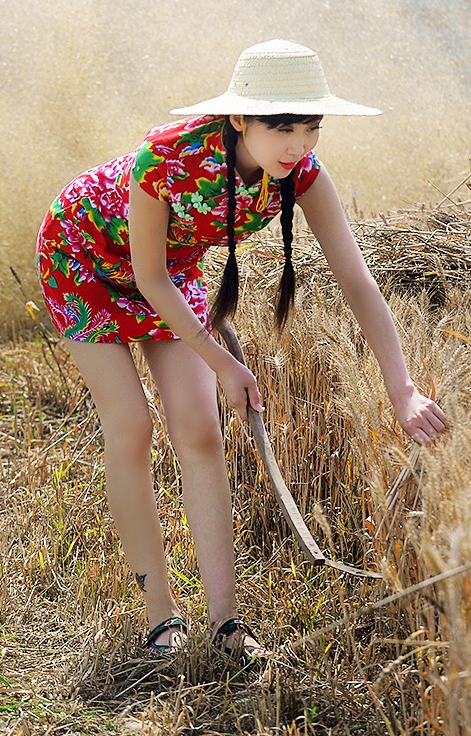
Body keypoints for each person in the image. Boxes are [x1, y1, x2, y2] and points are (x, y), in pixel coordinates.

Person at [35, 40, 449, 661]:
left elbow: (356, 280)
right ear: (238, 121)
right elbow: (146, 277)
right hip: (84, 258)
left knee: (200, 428)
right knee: (132, 426)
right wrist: (225, 362)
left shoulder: (302, 175)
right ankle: (160, 620)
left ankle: (226, 624)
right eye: (281, 127)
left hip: (171, 271)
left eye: (311, 128)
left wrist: (403, 389)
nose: (298, 144)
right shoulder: (167, 157)